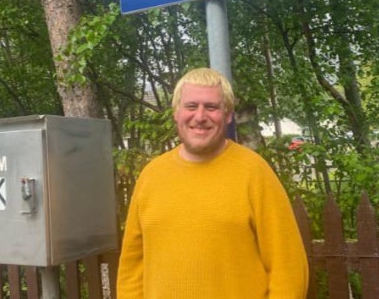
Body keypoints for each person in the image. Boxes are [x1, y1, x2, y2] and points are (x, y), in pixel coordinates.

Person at [117, 67, 309, 298]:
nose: (200, 117)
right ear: (176, 112)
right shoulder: (151, 176)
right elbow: (132, 267)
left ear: (227, 115)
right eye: (191, 106)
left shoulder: (254, 173)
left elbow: (288, 268)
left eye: (211, 107)